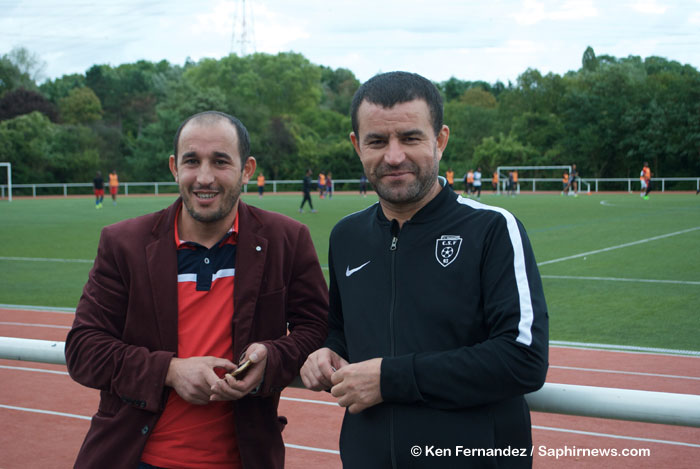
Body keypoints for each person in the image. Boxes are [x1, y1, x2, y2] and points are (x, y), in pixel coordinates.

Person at [300, 72, 548, 468]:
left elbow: (523, 359)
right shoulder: (347, 235)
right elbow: (343, 331)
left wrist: (389, 379)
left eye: (411, 138)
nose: (394, 156)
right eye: (377, 141)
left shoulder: (493, 228)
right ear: (356, 145)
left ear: (440, 139)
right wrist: (327, 352)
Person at [65, 111, 329, 469]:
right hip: (133, 457)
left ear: (247, 169)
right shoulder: (123, 243)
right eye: (192, 161)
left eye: (220, 161)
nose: (204, 177)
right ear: (175, 167)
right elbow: (83, 349)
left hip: (244, 458)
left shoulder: (287, 240)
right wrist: (170, 371)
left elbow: (318, 329)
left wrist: (273, 355)